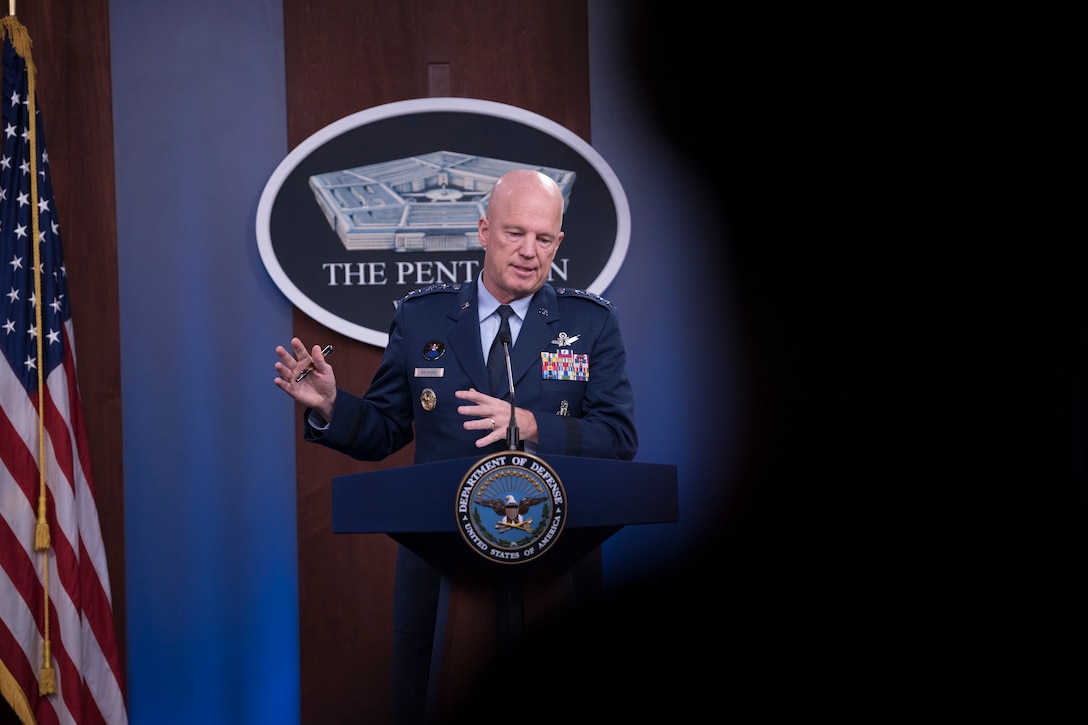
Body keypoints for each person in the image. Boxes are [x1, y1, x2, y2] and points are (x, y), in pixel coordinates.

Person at [273, 168, 637, 723]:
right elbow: (384, 430)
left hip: (555, 561)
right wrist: (330, 404)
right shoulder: (423, 318)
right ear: (484, 230)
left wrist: (533, 425)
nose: (528, 251)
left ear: (558, 243)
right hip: (441, 564)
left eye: (544, 239)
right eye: (515, 233)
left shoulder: (590, 325)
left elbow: (618, 439)